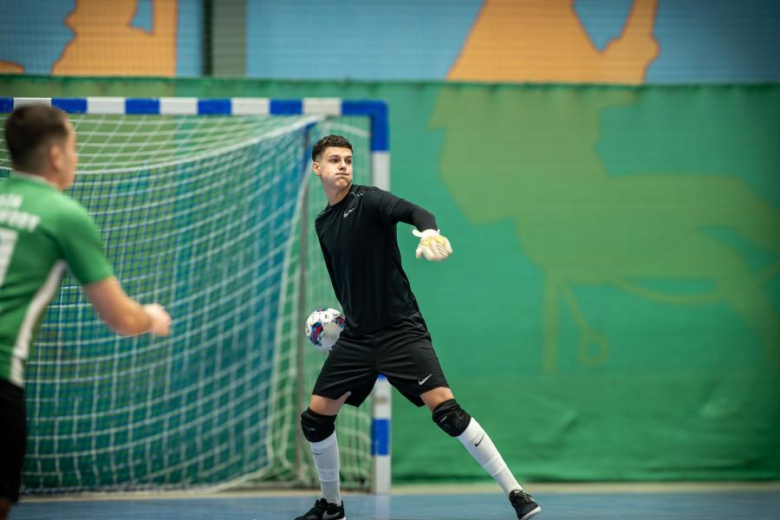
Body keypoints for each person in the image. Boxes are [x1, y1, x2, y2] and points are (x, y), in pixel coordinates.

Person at [295, 135, 540, 520]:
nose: (343, 165)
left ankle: (517, 493)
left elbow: (417, 212)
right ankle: (332, 505)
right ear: (317, 167)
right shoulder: (323, 223)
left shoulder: (368, 200)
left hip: (400, 331)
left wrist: (429, 233)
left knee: (447, 412)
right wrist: (342, 322)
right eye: (334, 160)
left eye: (348, 160)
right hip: (356, 337)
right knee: (315, 419)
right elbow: (345, 279)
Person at [0, 105, 171, 520]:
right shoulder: (63, 215)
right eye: (74, 147)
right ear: (56, 155)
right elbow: (120, 318)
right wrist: (150, 317)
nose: (76, 157)